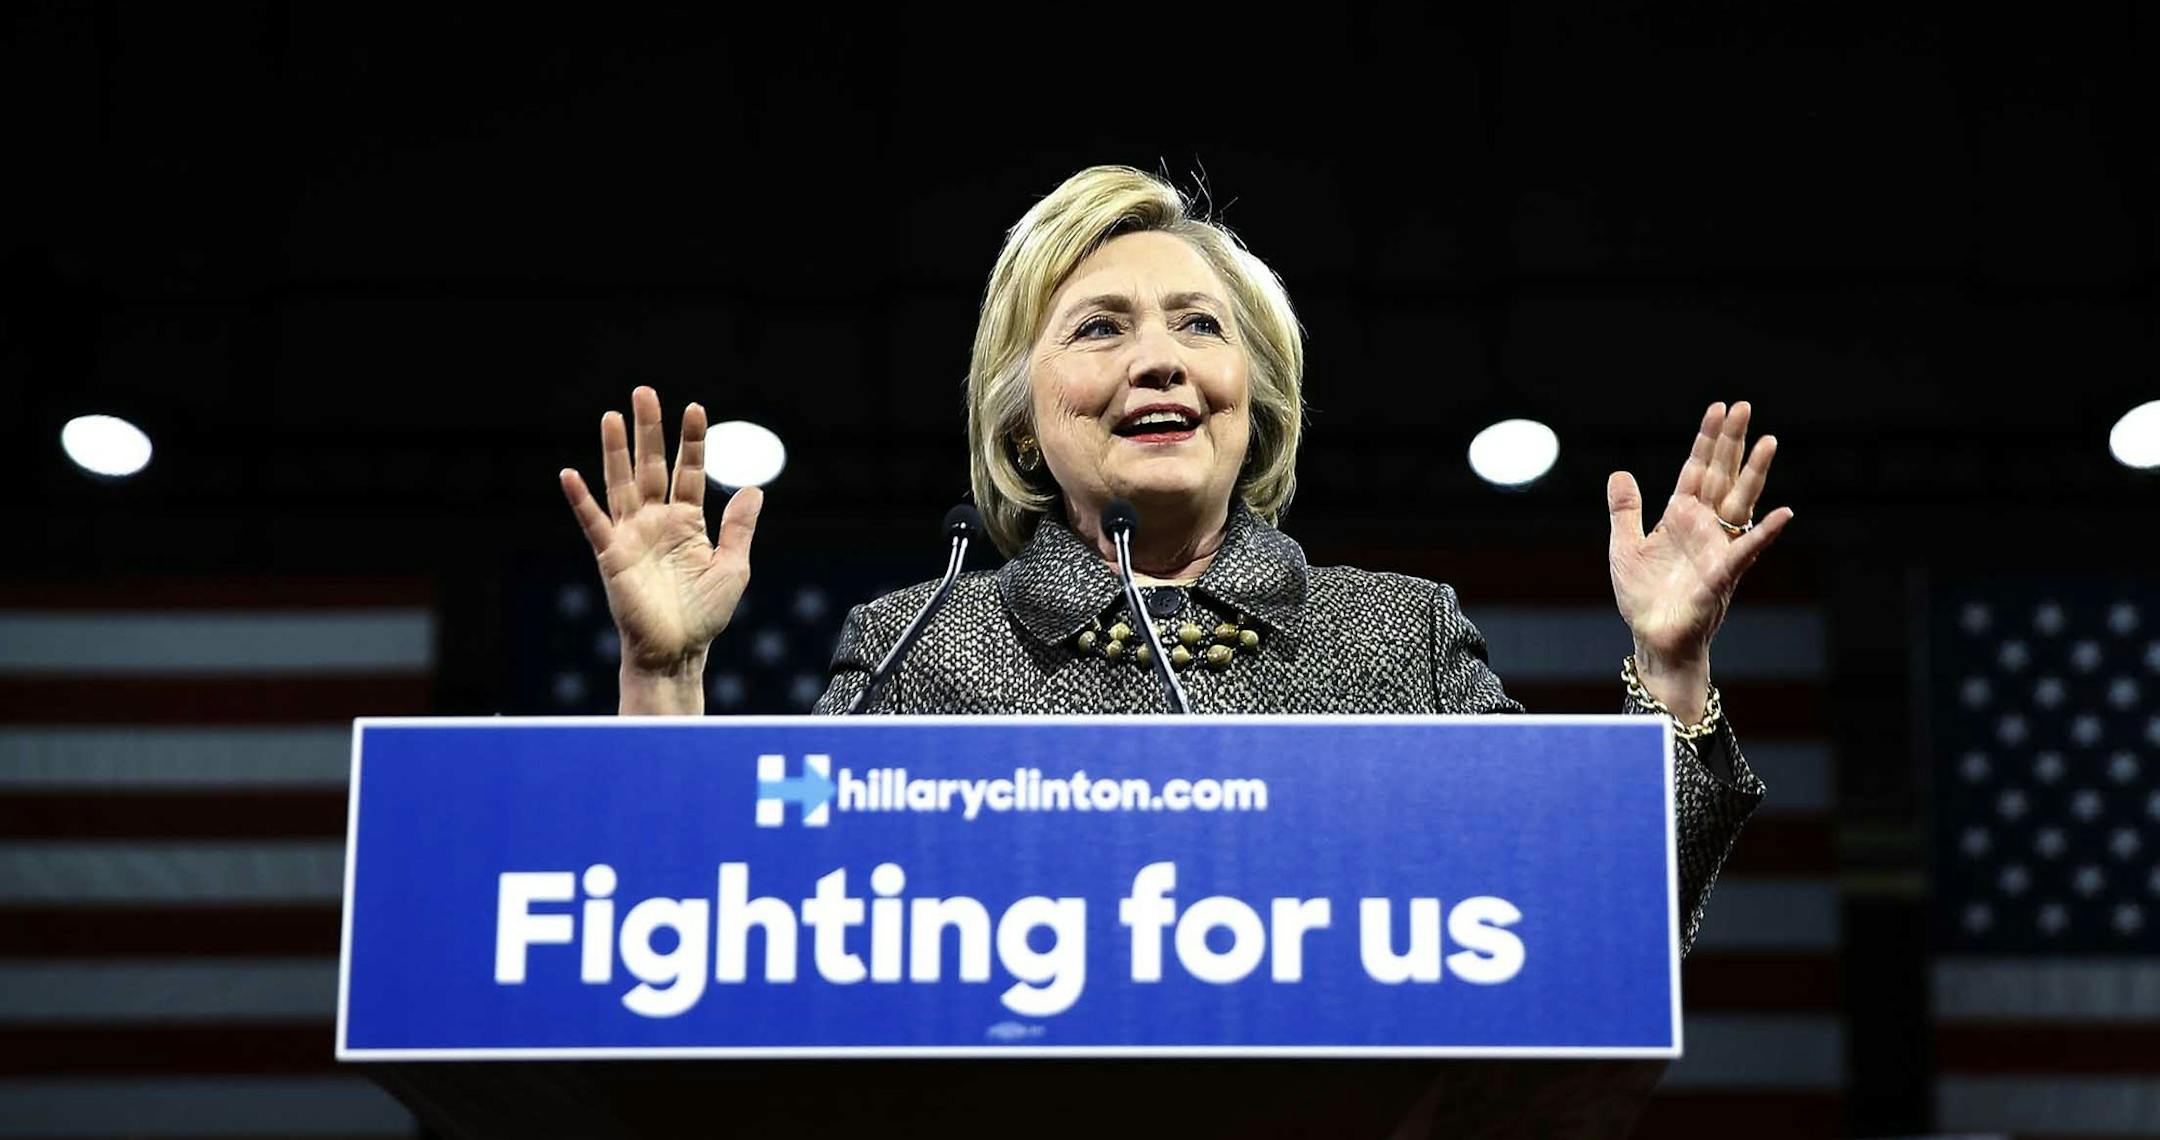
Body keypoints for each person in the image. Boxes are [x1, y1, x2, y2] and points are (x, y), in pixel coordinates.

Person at [556, 165, 1790, 955]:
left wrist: (1670, 674)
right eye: (1101, 328)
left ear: (1254, 394)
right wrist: (661, 680)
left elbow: (1587, 916)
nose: (1160, 360)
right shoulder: (918, 651)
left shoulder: (1398, 636)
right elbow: (725, 935)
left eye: (1198, 326)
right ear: (1021, 419)